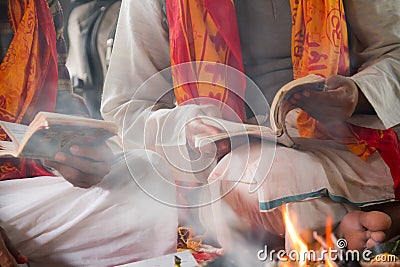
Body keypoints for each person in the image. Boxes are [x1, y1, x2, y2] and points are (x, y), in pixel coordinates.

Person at [102, 0, 400, 254]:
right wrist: (188, 129)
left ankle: (345, 230)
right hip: (220, 170)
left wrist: (355, 95)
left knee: (259, 178)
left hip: (347, 145)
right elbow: (125, 111)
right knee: (251, 176)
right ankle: (354, 228)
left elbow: (393, 52)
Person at [0, 0, 177, 266]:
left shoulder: (38, 5)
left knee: (146, 175)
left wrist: (81, 154)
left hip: (21, 192)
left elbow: (57, 103)